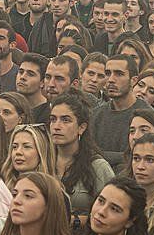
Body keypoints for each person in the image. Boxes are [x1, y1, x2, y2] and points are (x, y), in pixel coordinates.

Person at [49, 94, 114, 227]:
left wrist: (74, 221)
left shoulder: (98, 166)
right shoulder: (42, 161)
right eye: (53, 119)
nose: (56, 126)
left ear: (81, 127)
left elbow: (113, 212)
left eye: (65, 120)